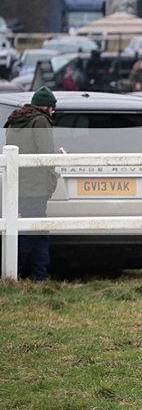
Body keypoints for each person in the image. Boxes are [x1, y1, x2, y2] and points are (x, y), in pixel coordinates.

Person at [4, 86, 60, 281]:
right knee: (33, 231)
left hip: (18, 183)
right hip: (36, 186)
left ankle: (39, 274)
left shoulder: (14, 120)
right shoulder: (41, 121)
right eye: (53, 108)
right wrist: (54, 177)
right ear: (46, 107)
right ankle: (18, 272)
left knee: (35, 228)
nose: (53, 112)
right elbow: (46, 155)